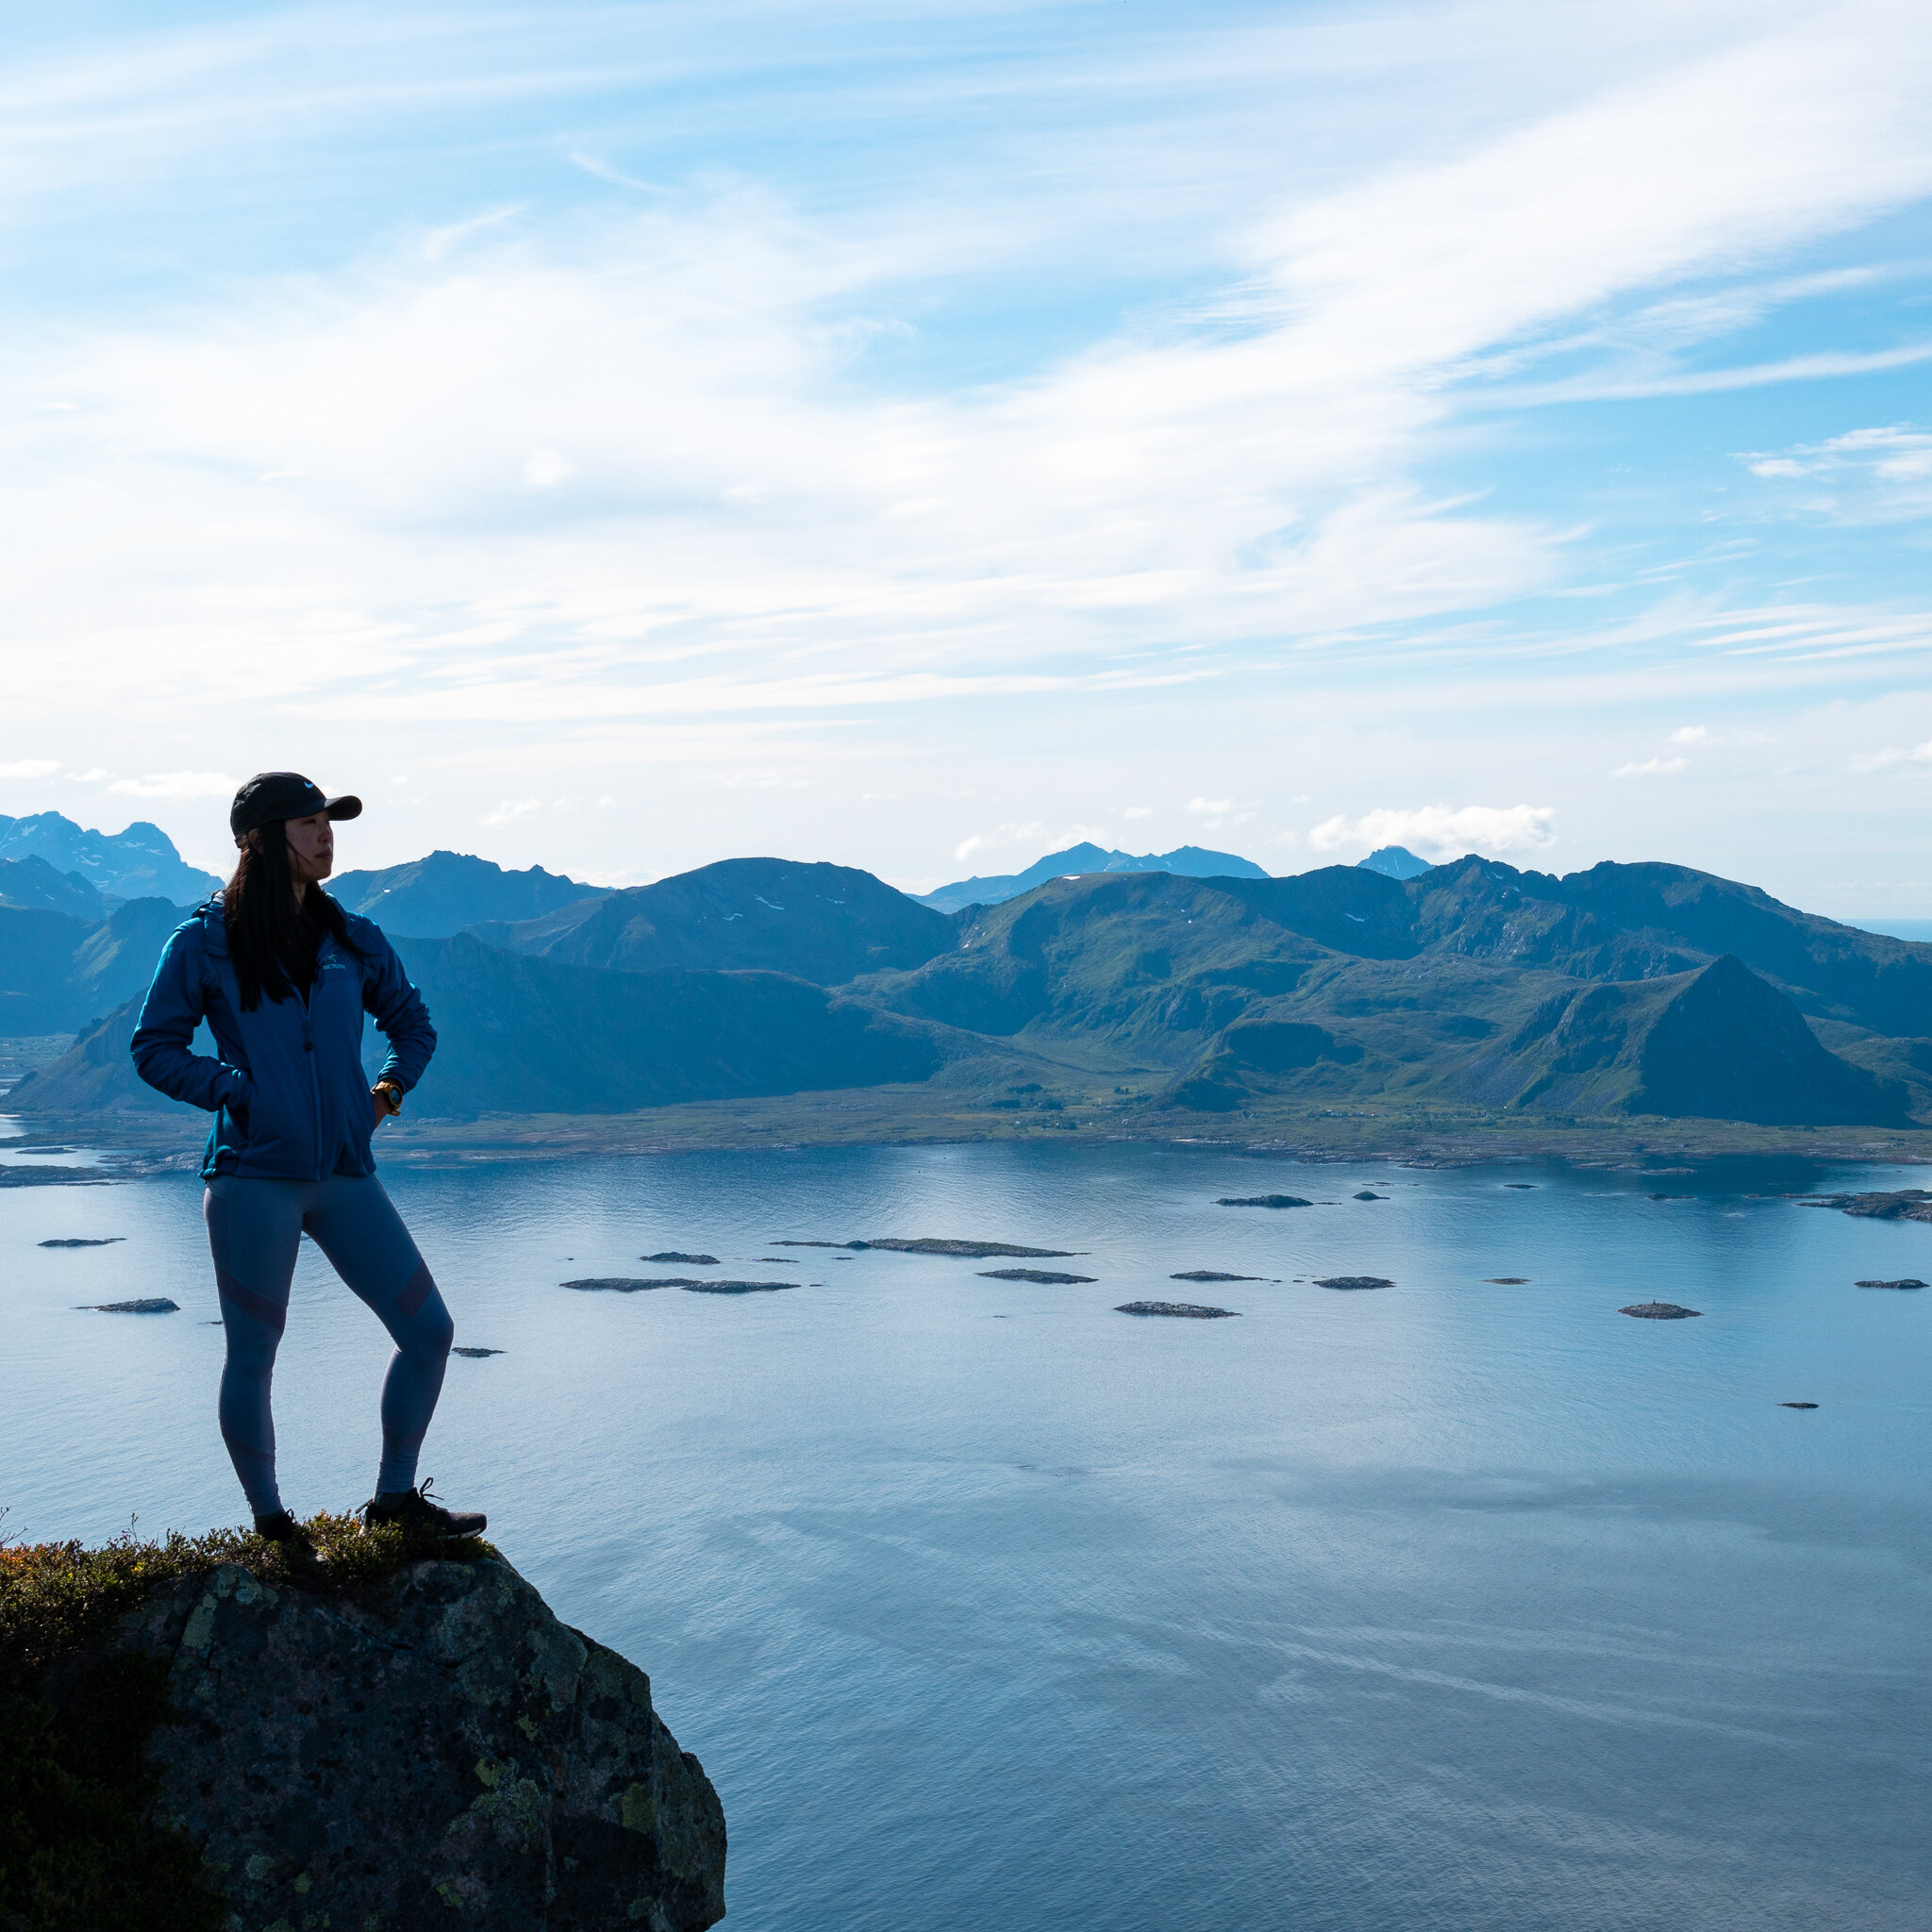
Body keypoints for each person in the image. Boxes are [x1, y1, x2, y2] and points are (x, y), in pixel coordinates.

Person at [131, 771, 484, 1560]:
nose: (326, 835)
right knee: (254, 1356)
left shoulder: (352, 936)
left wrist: (387, 1092)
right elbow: (154, 1049)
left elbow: (412, 1024)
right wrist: (236, 1092)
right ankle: (274, 1526)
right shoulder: (203, 941)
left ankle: (394, 1500)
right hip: (253, 1179)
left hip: (344, 1175)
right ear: (260, 840)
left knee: (430, 1332)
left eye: (330, 821)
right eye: (309, 823)